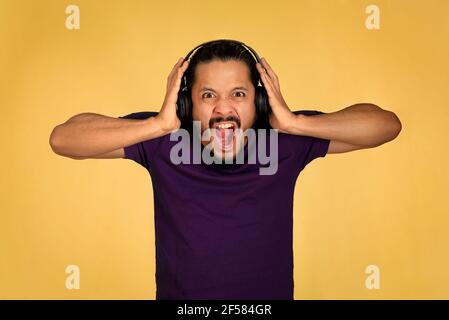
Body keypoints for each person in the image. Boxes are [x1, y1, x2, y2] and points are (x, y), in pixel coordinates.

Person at [49, 39, 402, 299]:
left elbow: (385, 126)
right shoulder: (163, 138)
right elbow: (64, 139)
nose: (223, 109)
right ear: (188, 103)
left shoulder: (285, 138)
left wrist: (295, 121)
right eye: (207, 95)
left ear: (259, 100)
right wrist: (156, 124)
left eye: (237, 94)